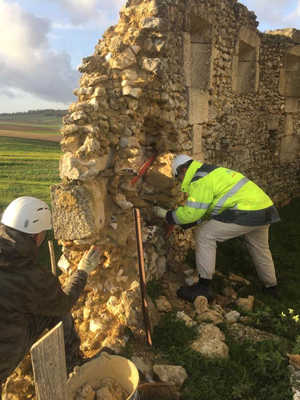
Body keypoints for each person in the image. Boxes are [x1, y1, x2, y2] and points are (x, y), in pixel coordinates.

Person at [0, 196, 103, 396]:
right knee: (55, 312)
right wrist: (82, 272)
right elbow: (63, 304)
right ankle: (73, 364)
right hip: (4, 356)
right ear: (38, 235)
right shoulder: (32, 278)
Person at [153, 155, 281, 303]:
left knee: (205, 233)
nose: (180, 180)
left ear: (184, 169)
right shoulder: (210, 172)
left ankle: (204, 287)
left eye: (178, 176)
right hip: (264, 208)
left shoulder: (199, 180)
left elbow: (191, 213)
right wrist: (191, 221)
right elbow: (208, 208)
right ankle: (271, 289)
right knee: (260, 248)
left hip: (246, 211)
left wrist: (164, 214)